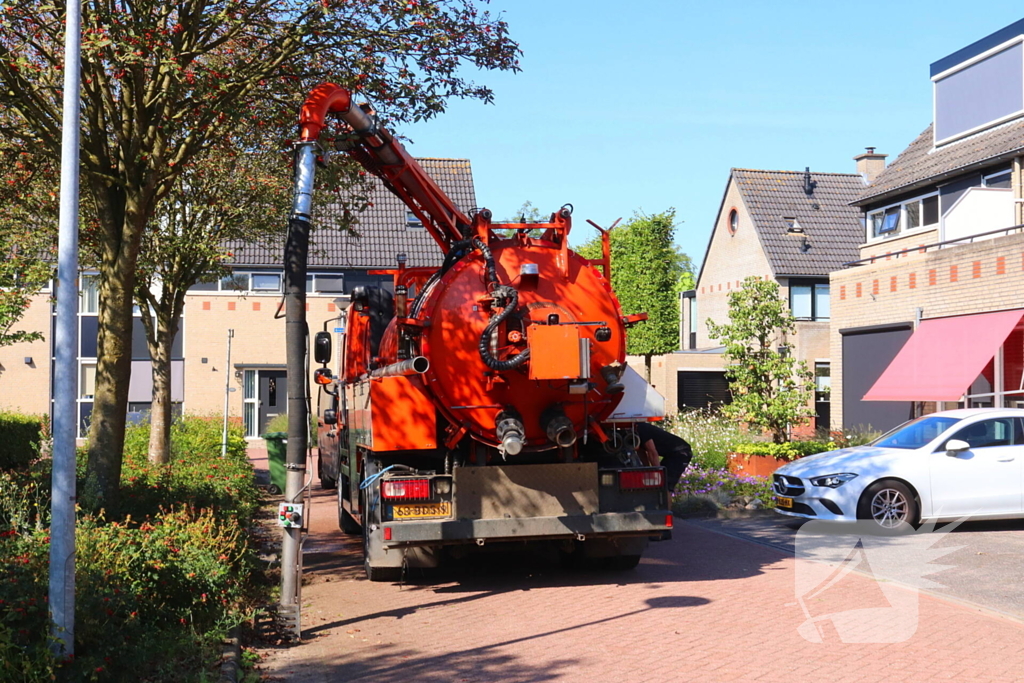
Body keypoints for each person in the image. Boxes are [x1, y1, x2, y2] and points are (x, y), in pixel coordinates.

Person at [633, 422, 691, 493]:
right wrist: (647, 470)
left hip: (680, 451)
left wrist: (657, 473)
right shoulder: (633, 433)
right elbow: (641, 452)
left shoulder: (641, 428)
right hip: (670, 454)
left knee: (664, 485)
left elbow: (652, 452)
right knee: (659, 483)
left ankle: (666, 502)